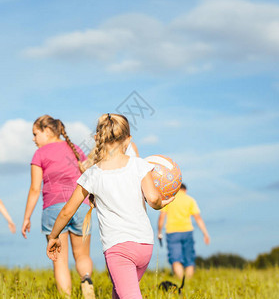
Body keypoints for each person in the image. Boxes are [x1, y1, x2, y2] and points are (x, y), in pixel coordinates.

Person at [46, 113, 175, 299]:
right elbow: (153, 199)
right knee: (119, 292)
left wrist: (53, 236)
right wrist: (162, 203)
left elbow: (67, 211)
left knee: (128, 294)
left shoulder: (92, 175)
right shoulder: (140, 165)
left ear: (97, 138)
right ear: (128, 139)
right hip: (145, 245)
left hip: (119, 248)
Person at [21, 115, 95, 298]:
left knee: (60, 262)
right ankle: (86, 280)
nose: (33, 139)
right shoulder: (75, 148)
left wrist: (26, 217)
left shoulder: (40, 154)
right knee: (83, 256)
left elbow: (34, 188)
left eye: (35, 134)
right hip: (80, 206)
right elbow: (89, 176)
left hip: (53, 209)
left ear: (47, 131)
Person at [157, 183, 210, 280]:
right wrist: (205, 233)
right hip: (187, 231)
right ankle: (188, 282)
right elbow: (198, 218)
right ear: (185, 190)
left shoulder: (169, 199)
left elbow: (161, 217)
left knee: (175, 259)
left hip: (172, 232)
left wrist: (159, 232)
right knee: (189, 259)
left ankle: (181, 282)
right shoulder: (190, 200)